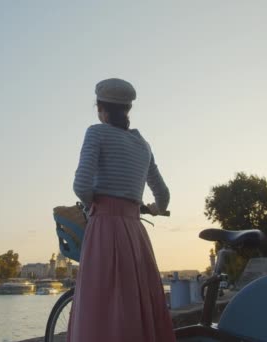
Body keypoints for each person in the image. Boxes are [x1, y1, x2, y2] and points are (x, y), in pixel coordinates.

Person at [67, 78, 174, 341]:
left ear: (101, 109)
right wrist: (154, 208)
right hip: (135, 232)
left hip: (104, 227)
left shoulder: (96, 132)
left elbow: (81, 185)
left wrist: (96, 203)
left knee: (101, 301)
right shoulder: (142, 144)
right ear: (127, 110)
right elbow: (163, 195)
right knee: (136, 300)